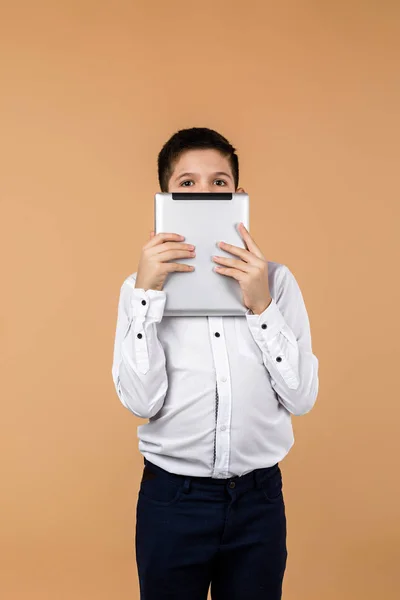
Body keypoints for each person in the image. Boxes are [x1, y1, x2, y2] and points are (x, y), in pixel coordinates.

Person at [111, 127, 319, 600]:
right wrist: (147, 297)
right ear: (164, 198)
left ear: (238, 196)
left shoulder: (278, 283)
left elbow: (302, 398)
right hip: (173, 502)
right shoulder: (137, 290)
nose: (204, 194)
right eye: (187, 184)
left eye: (219, 183)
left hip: (258, 501)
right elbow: (141, 401)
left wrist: (261, 306)